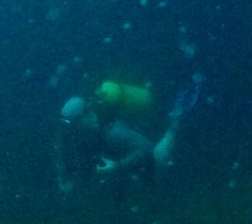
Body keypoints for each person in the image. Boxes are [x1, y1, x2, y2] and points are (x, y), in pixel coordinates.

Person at [55, 75, 201, 197]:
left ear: (85, 116)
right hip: (130, 159)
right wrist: (64, 178)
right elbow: (62, 147)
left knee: (159, 158)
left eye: (73, 124)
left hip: (150, 157)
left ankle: (177, 118)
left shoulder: (112, 132)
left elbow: (146, 147)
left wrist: (118, 167)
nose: (70, 130)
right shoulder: (79, 131)